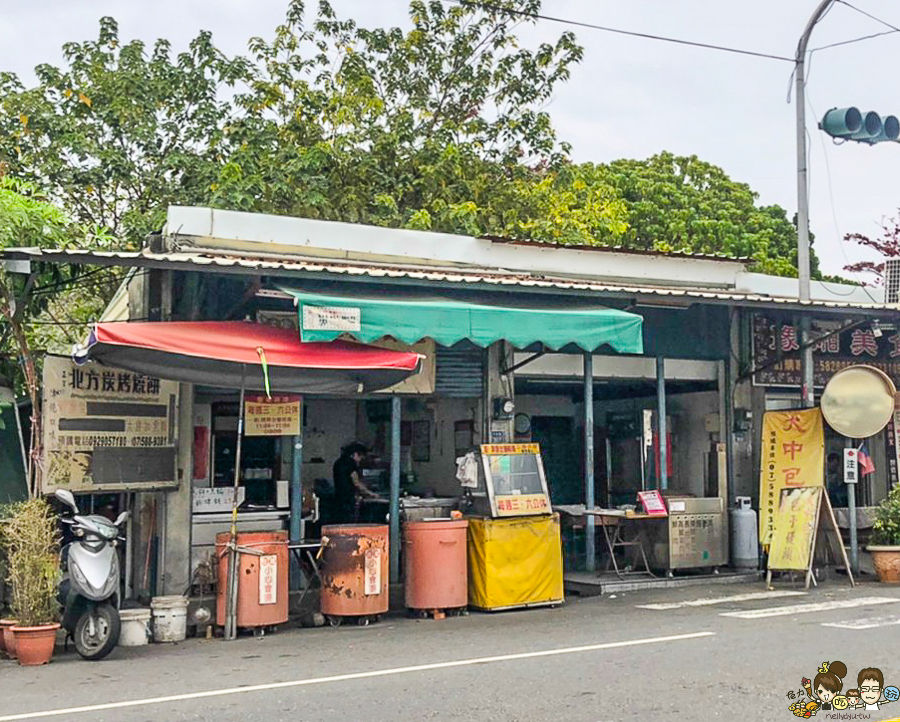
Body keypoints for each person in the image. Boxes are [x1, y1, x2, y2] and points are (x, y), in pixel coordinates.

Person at [332, 443, 380, 523]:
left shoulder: (338, 462)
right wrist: (371, 493)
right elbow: (356, 482)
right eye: (360, 457)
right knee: (350, 522)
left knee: (341, 521)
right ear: (355, 454)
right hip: (348, 499)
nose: (360, 460)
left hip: (339, 497)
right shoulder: (350, 463)